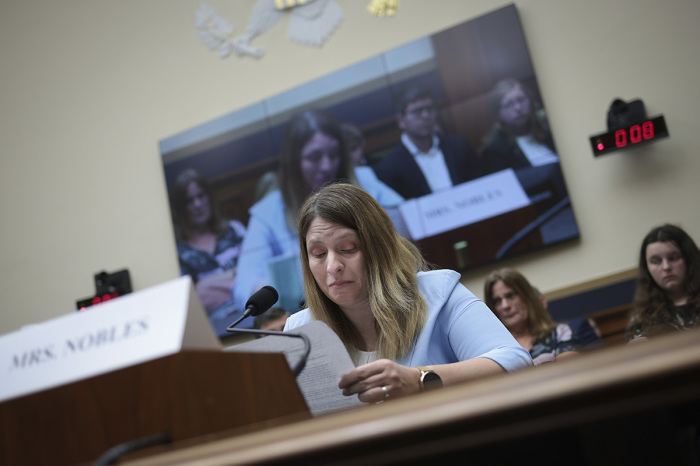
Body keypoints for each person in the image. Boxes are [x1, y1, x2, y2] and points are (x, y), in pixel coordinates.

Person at [284, 183, 532, 404]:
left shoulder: (437, 293)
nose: (332, 266)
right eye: (318, 254)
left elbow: (516, 361)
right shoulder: (300, 331)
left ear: (379, 249)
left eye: (348, 248)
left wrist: (420, 380)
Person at [233, 108, 405, 316]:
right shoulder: (268, 212)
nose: (326, 166)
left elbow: (404, 230)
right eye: (314, 158)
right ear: (293, 163)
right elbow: (245, 285)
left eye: (333, 155)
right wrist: (288, 284)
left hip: (380, 304)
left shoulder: (365, 181)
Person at [371, 83, 482, 200]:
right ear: (401, 121)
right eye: (417, 111)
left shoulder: (459, 147)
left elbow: (480, 186)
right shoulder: (389, 167)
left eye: (430, 109)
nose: (426, 115)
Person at [169, 168, 246, 320]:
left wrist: (205, 285)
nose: (197, 204)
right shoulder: (179, 253)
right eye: (189, 200)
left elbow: (256, 272)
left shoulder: (234, 230)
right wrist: (236, 275)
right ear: (180, 208)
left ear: (209, 197)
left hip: (254, 312)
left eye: (200, 196)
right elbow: (196, 301)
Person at [483, 268, 582, 365]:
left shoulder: (560, 333)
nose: (505, 306)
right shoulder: (493, 350)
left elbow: (570, 373)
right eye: (497, 301)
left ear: (527, 297)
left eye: (511, 296)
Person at [625, 224, 700, 342]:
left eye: (673, 258)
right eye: (656, 261)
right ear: (647, 269)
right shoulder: (642, 316)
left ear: (689, 259)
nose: (666, 267)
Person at [478, 78, 559, 173]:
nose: (518, 108)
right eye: (508, 104)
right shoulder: (495, 152)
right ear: (498, 114)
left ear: (531, 101)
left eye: (521, 100)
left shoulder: (552, 129)